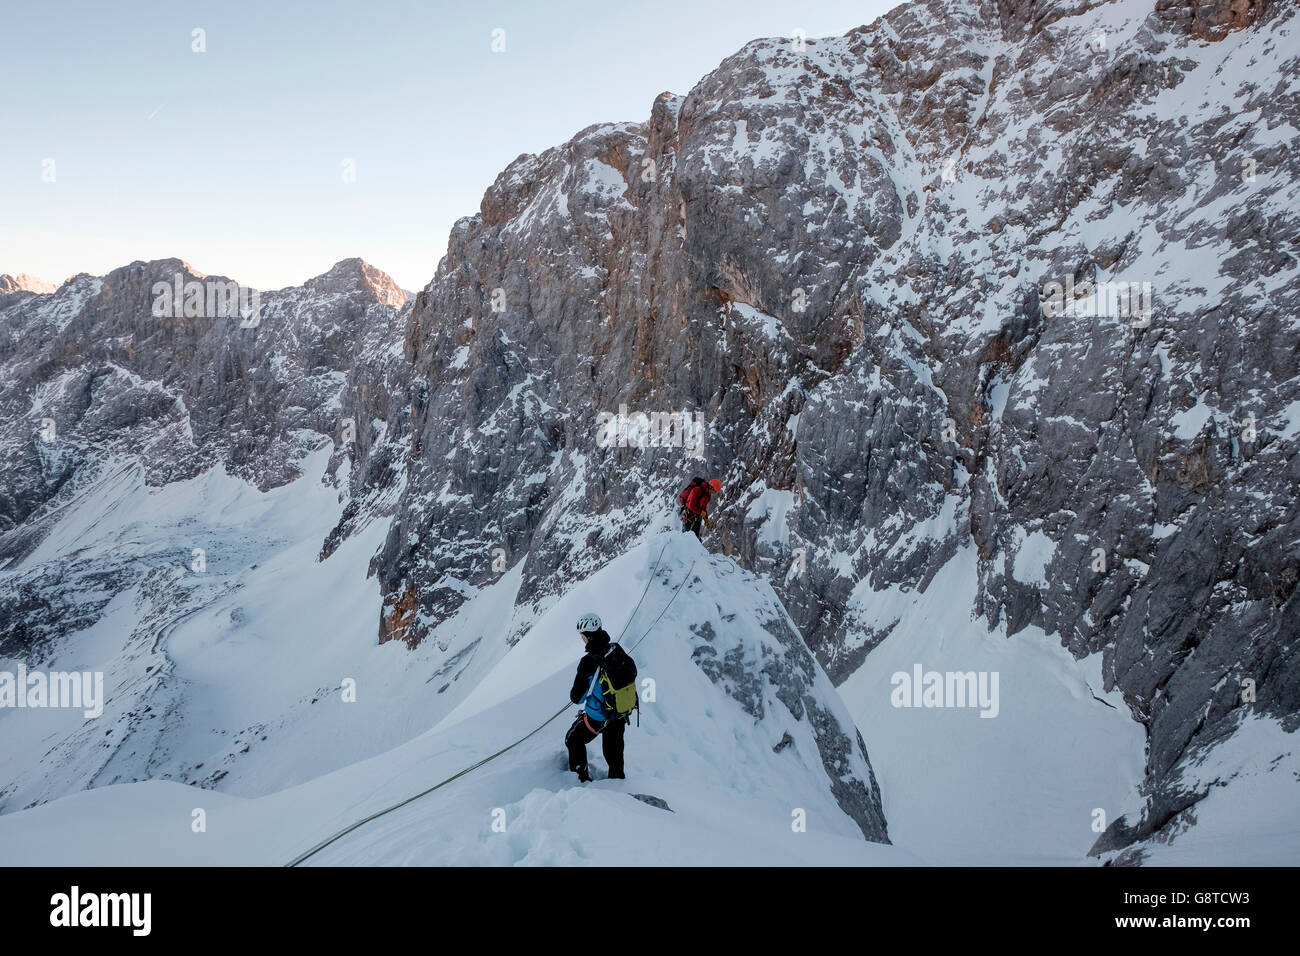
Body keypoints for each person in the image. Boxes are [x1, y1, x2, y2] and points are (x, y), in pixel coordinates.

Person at [564, 613, 630, 782]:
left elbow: (577, 698)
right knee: (614, 755)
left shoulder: (588, 662)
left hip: (598, 716)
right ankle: (619, 787)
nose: (582, 639)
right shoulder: (615, 649)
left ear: (587, 636)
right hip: (620, 711)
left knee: (573, 739)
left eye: (582, 636)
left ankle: (581, 781)